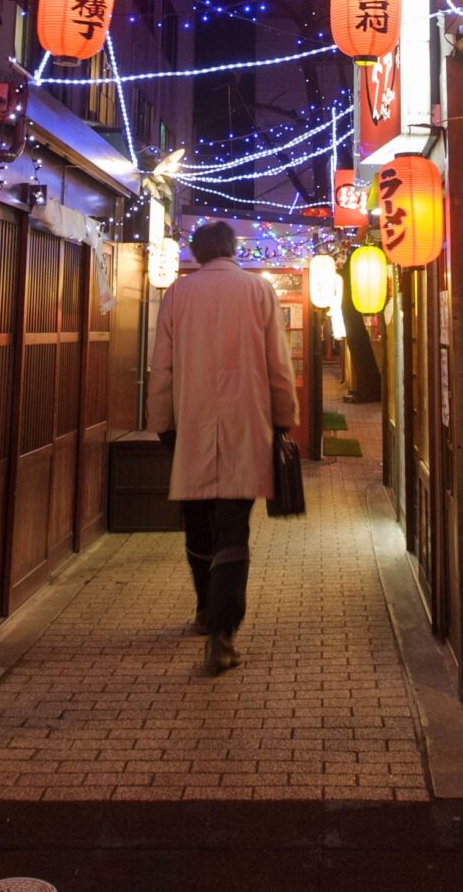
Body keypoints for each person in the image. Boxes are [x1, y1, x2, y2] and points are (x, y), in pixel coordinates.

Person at [146, 219, 298, 675]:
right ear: (233, 249)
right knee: (233, 528)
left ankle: (205, 611)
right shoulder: (258, 292)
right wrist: (285, 416)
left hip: (189, 427)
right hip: (246, 425)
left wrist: (161, 424)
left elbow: (163, 369)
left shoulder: (179, 294)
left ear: (197, 252)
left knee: (197, 524)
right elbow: (278, 363)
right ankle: (223, 634)